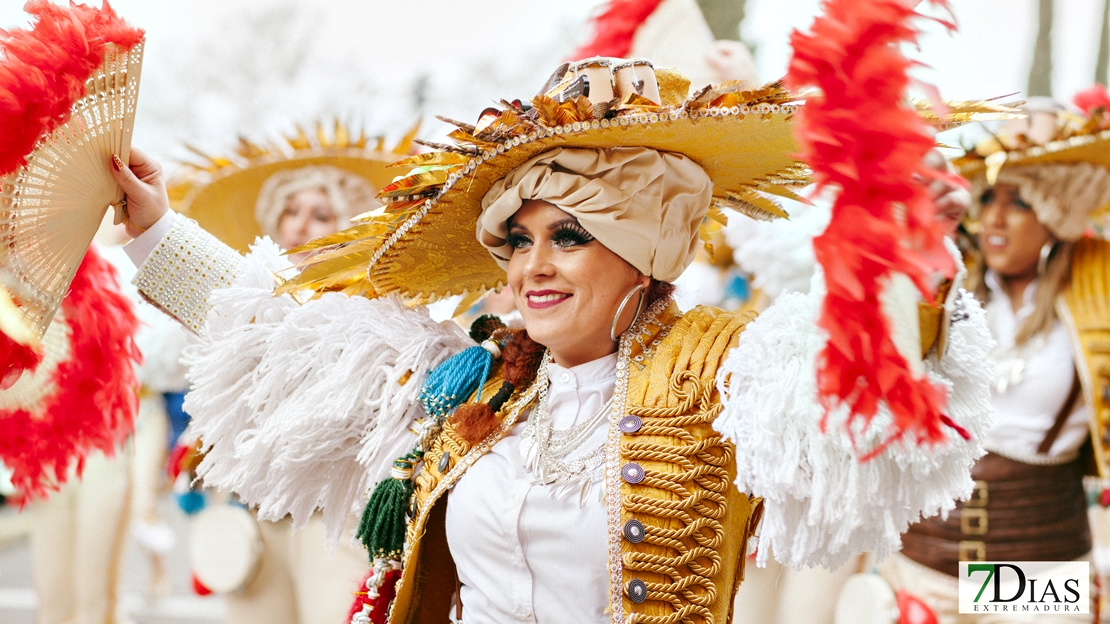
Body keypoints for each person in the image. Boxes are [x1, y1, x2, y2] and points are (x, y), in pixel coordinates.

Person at [108, 60, 992, 623]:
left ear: (643, 252)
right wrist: (154, 229)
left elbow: (857, 384)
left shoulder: (726, 370)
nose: (533, 266)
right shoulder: (474, 382)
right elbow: (287, 343)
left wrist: (905, 268)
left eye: (569, 236)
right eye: (517, 240)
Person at [881, 96, 1110, 623]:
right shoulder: (948, 284)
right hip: (923, 564)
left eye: (1020, 202)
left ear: (1057, 213)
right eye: (989, 198)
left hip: (1040, 571)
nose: (995, 217)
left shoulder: (1099, 286)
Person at [162, 125, 400, 624]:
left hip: (334, 518)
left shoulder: (384, 307)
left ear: (349, 225)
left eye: (321, 214)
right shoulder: (241, 302)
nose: (301, 224)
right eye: (291, 211)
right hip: (251, 511)